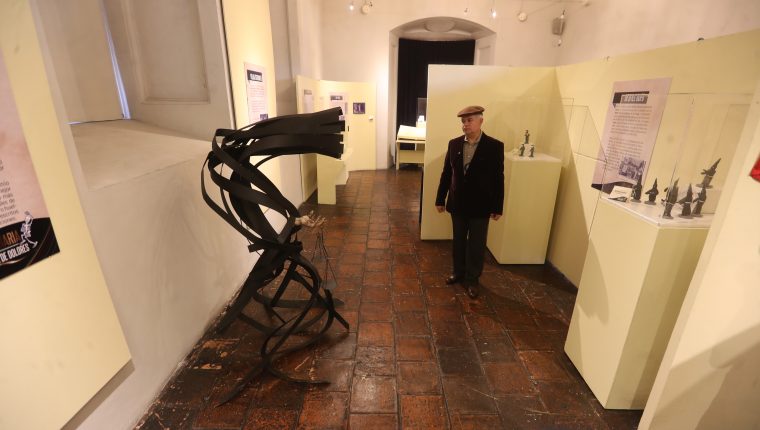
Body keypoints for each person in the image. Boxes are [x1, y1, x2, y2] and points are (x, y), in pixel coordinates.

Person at [435, 105, 504, 298]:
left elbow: (498, 178)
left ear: (481, 121)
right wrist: (440, 198)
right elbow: (447, 173)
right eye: (463, 121)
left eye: (470, 120)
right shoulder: (454, 144)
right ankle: (458, 272)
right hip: (458, 203)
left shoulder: (494, 146)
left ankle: (472, 280)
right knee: (458, 241)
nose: (465, 124)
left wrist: (497, 206)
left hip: (481, 206)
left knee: (476, 244)